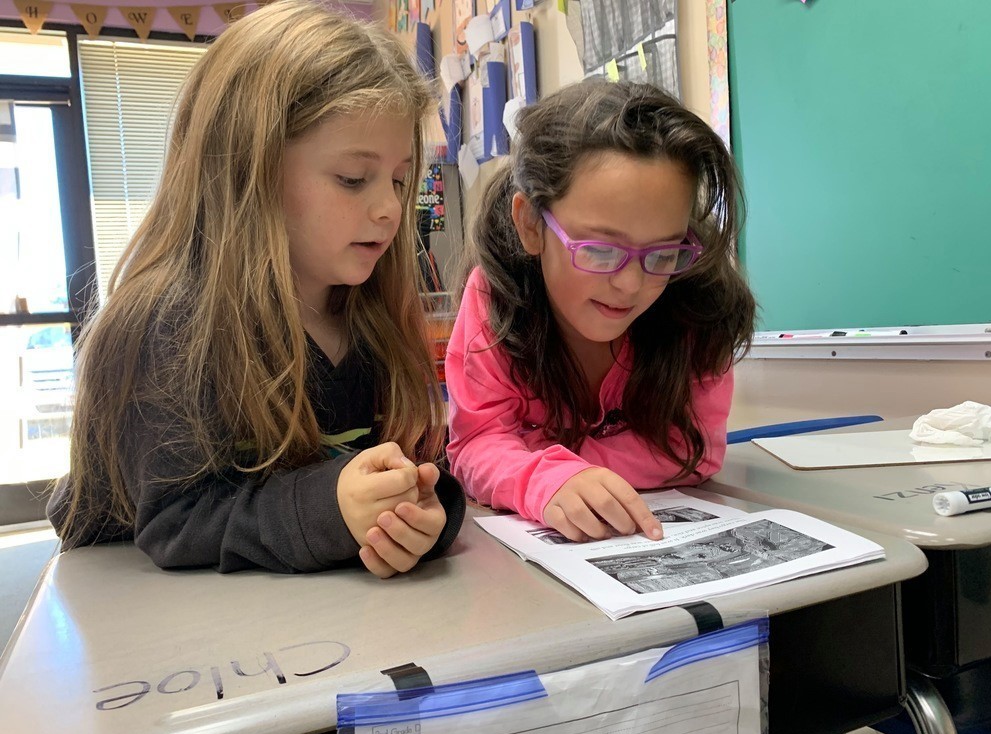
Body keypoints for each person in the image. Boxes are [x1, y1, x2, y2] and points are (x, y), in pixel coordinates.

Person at [47, 0, 465, 577]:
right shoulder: (167, 324)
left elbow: (422, 464)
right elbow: (173, 522)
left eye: (398, 179)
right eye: (352, 178)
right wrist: (330, 509)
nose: (390, 209)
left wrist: (424, 512)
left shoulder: (371, 312)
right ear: (249, 167)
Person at [445, 79, 755, 543]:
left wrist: (538, 457)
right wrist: (544, 481)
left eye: (663, 254)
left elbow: (695, 449)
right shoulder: (496, 301)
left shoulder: (699, 303)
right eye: (600, 250)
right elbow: (475, 444)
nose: (632, 284)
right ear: (531, 224)